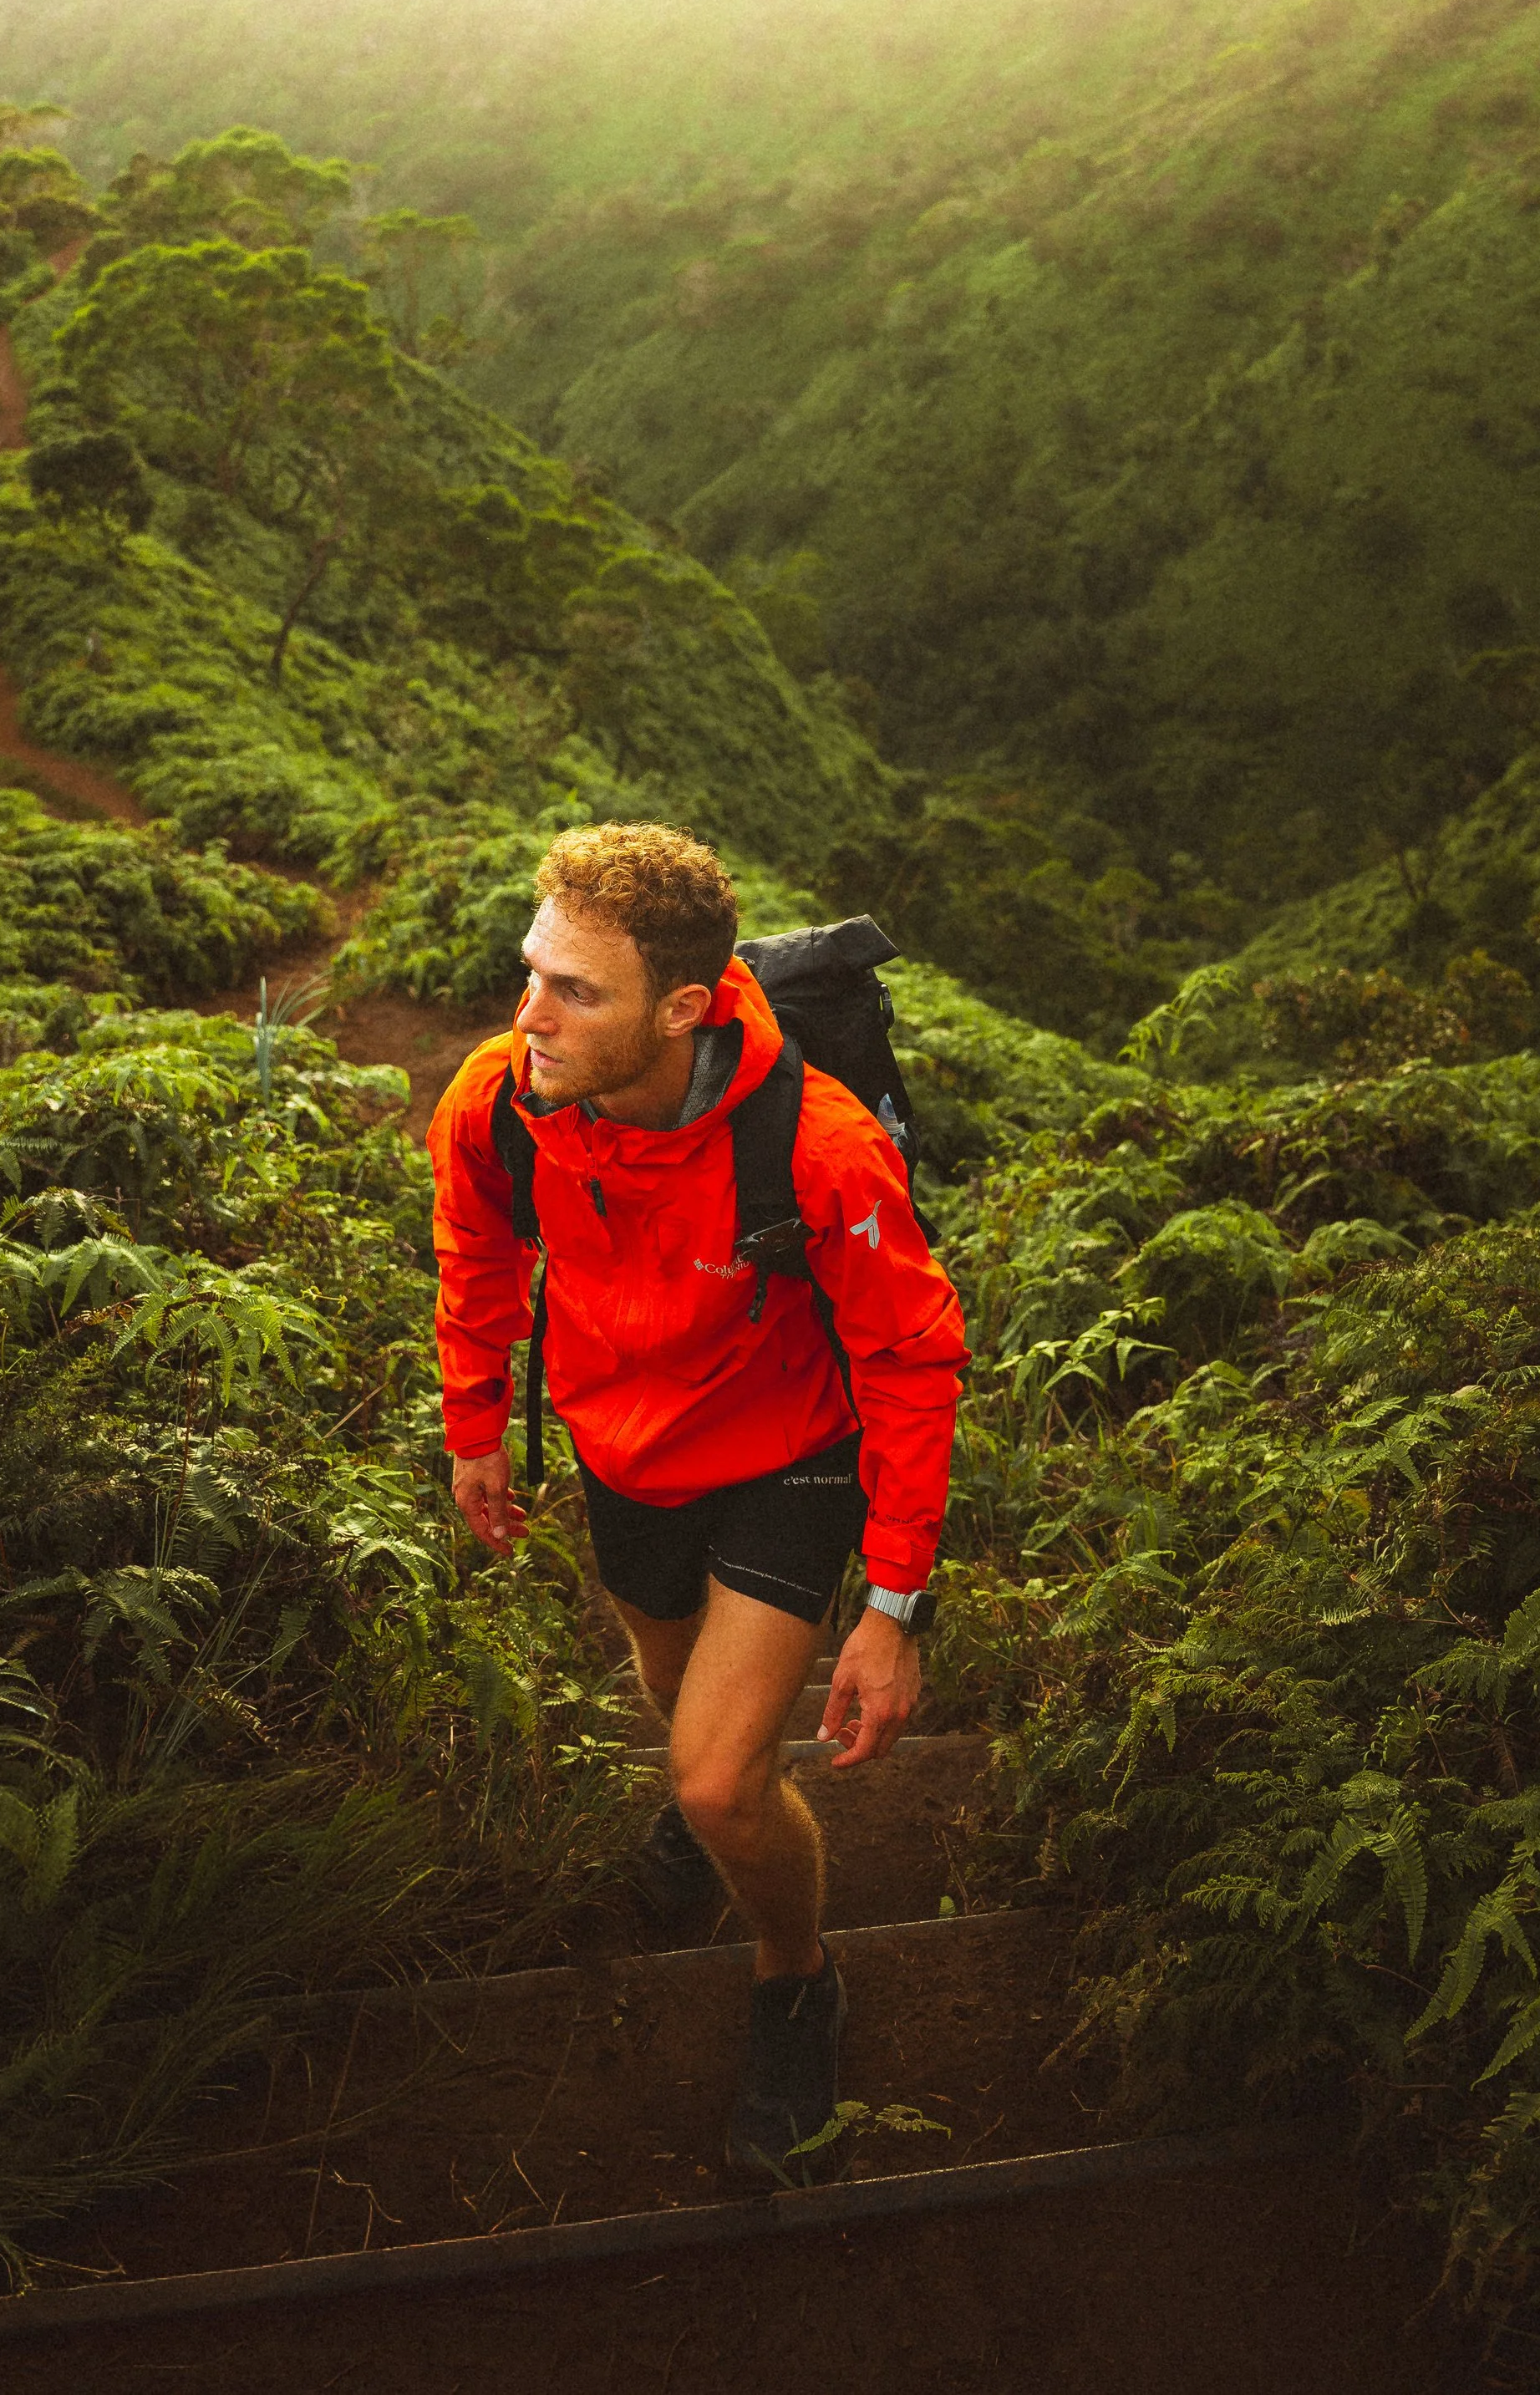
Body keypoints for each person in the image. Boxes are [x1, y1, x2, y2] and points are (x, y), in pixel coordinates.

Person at [429, 821, 967, 2183]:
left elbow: (911, 1354)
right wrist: (477, 1420)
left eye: (574, 991)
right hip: (624, 1451)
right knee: (676, 1699)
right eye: (532, 970)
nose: (526, 1015)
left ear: (682, 1006)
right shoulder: (498, 1098)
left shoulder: (820, 1148)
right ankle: (712, 1790)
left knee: (721, 1782)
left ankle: (796, 1976)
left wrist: (893, 1602)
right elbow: (479, 1239)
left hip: (791, 1457)